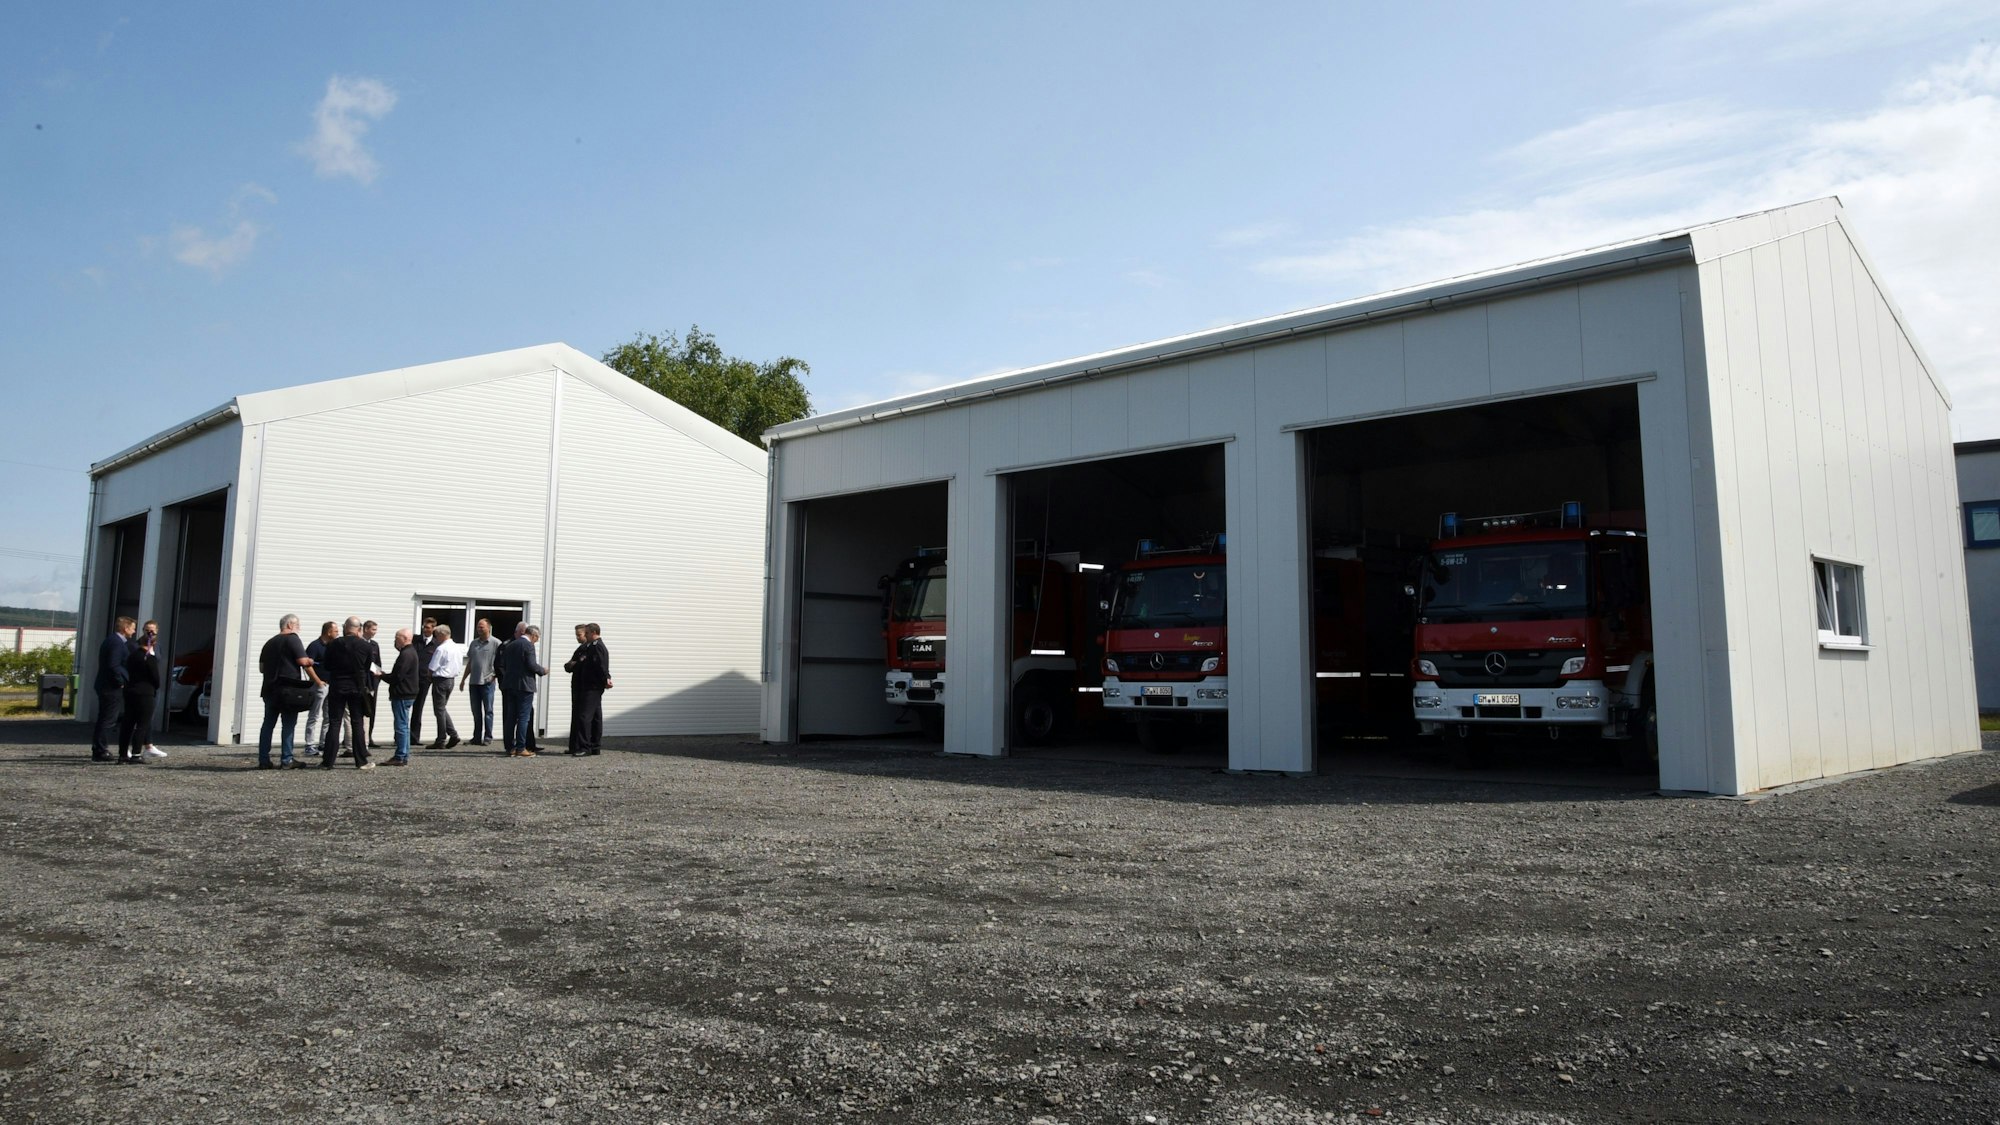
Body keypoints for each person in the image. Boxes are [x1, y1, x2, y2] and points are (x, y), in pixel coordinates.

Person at [257, 614, 316, 769]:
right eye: (298, 625)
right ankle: (287, 759)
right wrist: (310, 663)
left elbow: (261, 668)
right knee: (288, 724)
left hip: (269, 689)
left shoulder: (269, 642)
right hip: (288, 690)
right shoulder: (292, 639)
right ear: (290, 625)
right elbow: (303, 661)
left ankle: (263, 760)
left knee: (268, 724)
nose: (299, 628)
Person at [319, 617, 376, 770]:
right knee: (357, 722)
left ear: (345, 628)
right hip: (357, 687)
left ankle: (328, 761)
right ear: (359, 629)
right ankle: (361, 761)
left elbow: (327, 665)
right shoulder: (365, 646)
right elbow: (367, 666)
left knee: (334, 722)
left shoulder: (333, 644)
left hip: (337, 685)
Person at [496, 623, 546, 757]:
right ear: (534, 635)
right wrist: (542, 671)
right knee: (524, 717)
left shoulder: (510, 644)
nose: (536, 641)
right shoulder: (528, 645)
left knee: (511, 717)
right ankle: (521, 747)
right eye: (537, 638)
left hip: (509, 684)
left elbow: (504, 663)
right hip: (524, 685)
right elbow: (531, 665)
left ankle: (510, 747)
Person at [90, 616, 137, 762]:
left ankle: (99, 748)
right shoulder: (116, 643)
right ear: (125, 628)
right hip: (110, 687)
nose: (134, 632)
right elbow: (113, 665)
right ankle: (100, 750)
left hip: (106, 685)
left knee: (105, 717)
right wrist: (120, 681)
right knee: (108, 718)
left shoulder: (112, 641)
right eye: (132, 628)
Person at [564, 622, 612, 756]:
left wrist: (606, 679)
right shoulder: (588, 648)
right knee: (593, 716)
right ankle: (592, 746)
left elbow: (601, 665)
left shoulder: (596, 647)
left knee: (585, 716)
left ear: (592, 633)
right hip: (586, 686)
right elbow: (572, 664)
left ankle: (584, 747)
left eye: (583, 634)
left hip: (591, 686)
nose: (581, 637)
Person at [117, 632, 163, 764]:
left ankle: (123, 754)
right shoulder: (149, 658)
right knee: (142, 724)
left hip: (130, 691)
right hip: (145, 693)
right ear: (152, 644)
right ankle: (136, 753)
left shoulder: (132, 656)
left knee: (128, 723)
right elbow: (156, 679)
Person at [460, 618, 502, 746]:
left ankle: (488, 737)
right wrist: (463, 679)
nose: (479, 629)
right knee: (476, 711)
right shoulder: (474, 643)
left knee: (488, 710)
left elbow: (501, 663)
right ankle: (476, 737)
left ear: (488, 627)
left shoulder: (496, 643)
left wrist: (494, 675)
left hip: (487, 682)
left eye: (482, 627)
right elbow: (470, 663)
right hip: (474, 682)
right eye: (478, 627)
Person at [386, 628, 421, 765]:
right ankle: (404, 754)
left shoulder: (406, 654)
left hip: (402, 693)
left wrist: (381, 675)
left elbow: (397, 676)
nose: (395, 640)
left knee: (401, 725)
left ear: (404, 638)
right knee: (404, 725)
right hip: (409, 692)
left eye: (397, 638)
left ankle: (400, 755)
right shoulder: (411, 652)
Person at [303, 621, 339, 751]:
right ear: (328, 632)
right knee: (314, 715)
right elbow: (307, 665)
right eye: (335, 631)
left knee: (328, 716)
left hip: (331, 685)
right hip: (319, 686)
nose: (338, 633)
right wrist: (318, 681)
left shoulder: (333, 646)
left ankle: (324, 743)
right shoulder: (314, 646)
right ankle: (309, 744)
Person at [426, 623, 463, 749]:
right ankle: (451, 735)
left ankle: (442, 738)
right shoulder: (457, 648)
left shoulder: (441, 649)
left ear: (442, 635)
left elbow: (432, 666)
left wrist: (429, 675)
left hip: (440, 680)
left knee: (439, 710)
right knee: (441, 708)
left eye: (436, 635)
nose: (435, 638)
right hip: (451, 680)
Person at [409, 616, 438, 748]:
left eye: (428, 627)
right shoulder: (415, 640)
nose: (425, 629)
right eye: (424, 627)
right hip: (411, 678)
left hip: (424, 680)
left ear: (433, 629)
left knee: (418, 708)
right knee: (405, 706)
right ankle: (400, 736)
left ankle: (414, 737)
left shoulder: (436, 644)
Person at [361, 620, 385, 749]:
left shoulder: (375, 645)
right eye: (373, 629)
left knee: (371, 709)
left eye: (376, 629)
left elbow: (377, 663)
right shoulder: (359, 643)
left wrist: (378, 677)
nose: (375, 632)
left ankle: (368, 737)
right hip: (362, 680)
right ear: (365, 629)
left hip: (372, 681)